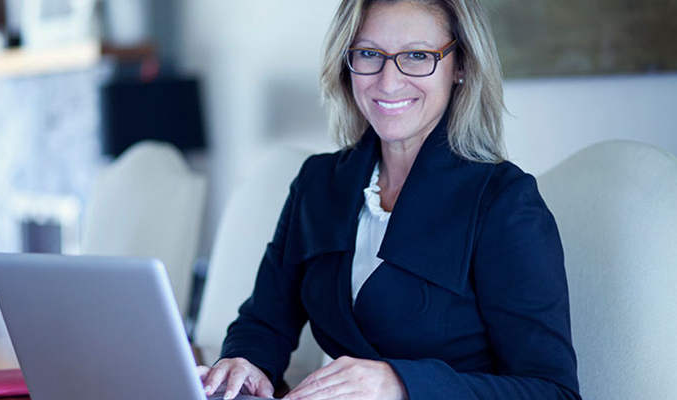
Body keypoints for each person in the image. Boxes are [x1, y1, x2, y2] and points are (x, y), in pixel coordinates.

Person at [197, 0, 581, 399]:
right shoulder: (318, 183)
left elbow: (552, 391)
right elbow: (264, 321)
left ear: (461, 66)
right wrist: (247, 363)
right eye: (368, 54)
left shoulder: (505, 203)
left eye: (417, 56)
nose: (388, 81)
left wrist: (400, 384)